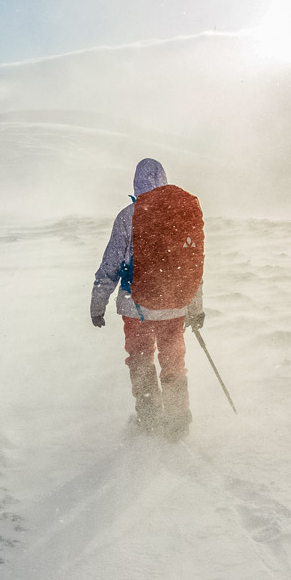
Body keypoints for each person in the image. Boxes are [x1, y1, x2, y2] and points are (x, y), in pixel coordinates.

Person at [91, 158, 204, 440]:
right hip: (175, 308)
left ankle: (150, 418)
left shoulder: (128, 216)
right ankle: (178, 422)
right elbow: (193, 267)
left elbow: (110, 266)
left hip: (135, 307)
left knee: (141, 361)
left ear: (136, 183)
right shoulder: (179, 216)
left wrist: (97, 304)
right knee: (173, 362)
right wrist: (196, 308)